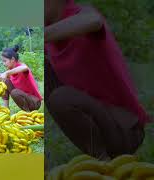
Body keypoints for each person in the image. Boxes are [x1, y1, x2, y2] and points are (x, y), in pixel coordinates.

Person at [45, 0, 151, 159]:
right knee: (44, 69)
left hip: (124, 129)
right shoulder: (49, 34)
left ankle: (103, 164)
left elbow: (94, 20)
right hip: (96, 117)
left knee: (60, 97)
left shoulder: (82, 13)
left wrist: (42, 34)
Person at [0, 45, 43, 112]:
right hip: (25, 98)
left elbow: (25, 68)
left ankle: (27, 113)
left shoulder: (21, 67)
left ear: (12, 59)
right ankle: (6, 109)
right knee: (5, 81)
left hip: (34, 102)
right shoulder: (12, 71)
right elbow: (7, 76)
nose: (3, 63)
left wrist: (7, 73)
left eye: (5, 61)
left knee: (15, 92)